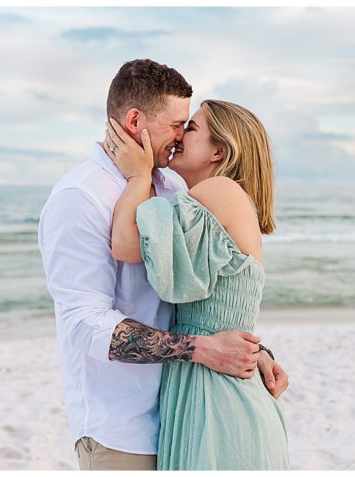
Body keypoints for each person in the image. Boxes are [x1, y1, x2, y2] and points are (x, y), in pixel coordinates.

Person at [38, 59, 288, 471]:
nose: (179, 137)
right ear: (135, 120)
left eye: (189, 127)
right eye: (178, 125)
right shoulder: (79, 198)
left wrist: (249, 349)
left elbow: (214, 293)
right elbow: (85, 324)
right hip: (125, 430)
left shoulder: (175, 185)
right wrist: (204, 350)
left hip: (188, 405)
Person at [104, 97, 288, 469]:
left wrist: (138, 177)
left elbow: (125, 243)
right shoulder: (211, 200)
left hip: (217, 388)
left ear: (218, 151)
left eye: (191, 128)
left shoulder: (219, 192)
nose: (179, 136)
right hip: (208, 376)